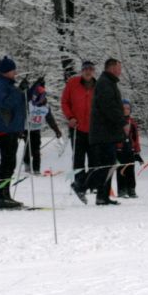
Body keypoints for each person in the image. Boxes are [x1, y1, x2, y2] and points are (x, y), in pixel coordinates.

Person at [0, 56, 27, 210]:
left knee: (10, 163)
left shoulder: (8, 85)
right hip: (4, 128)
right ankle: (3, 197)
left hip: (12, 128)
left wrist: (29, 90)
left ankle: (6, 195)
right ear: (5, 71)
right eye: (12, 70)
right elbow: (5, 104)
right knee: (7, 162)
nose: (15, 72)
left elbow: (18, 102)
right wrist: (19, 91)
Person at [87, 58, 126, 206]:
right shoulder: (105, 83)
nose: (120, 71)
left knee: (109, 165)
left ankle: (103, 196)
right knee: (106, 165)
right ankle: (83, 185)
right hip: (103, 133)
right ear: (111, 68)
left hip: (107, 133)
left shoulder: (108, 83)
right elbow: (109, 107)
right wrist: (122, 122)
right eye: (118, 68)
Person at [60, 60, 97, 200]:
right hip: (77, 127)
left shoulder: (98, 86)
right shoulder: (73, 83)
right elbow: (64, 102)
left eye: (91, 69)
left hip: (93, 129)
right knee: (78, 159)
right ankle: (79, 184)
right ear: (82, 71)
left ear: (93, 71)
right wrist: (70, 117)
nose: (88, 71)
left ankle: (90, 184)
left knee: (94, 159)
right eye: (86, 69)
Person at [23, 82, 63, 175]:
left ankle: (36, 169)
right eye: (38, 97)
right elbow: (20, 115)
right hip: (26, 129)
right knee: (28, 147)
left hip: (36, 130)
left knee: (36, 149)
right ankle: (27, 163)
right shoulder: (29, 104)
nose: (41, 99)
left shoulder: (46, 107)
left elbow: (50, 119)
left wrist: (56, 130)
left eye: (42, 97)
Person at [115, 99, 143, 198]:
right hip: (119, 150)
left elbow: (136, 138)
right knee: (121, 170)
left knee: (130, 170)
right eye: (123, 108)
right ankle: (121, 190)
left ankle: (131, 189)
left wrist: (137, 152)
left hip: (130, 150)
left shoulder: (133, 123)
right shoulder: (116, 121)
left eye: (128, 108)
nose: (126, 110)